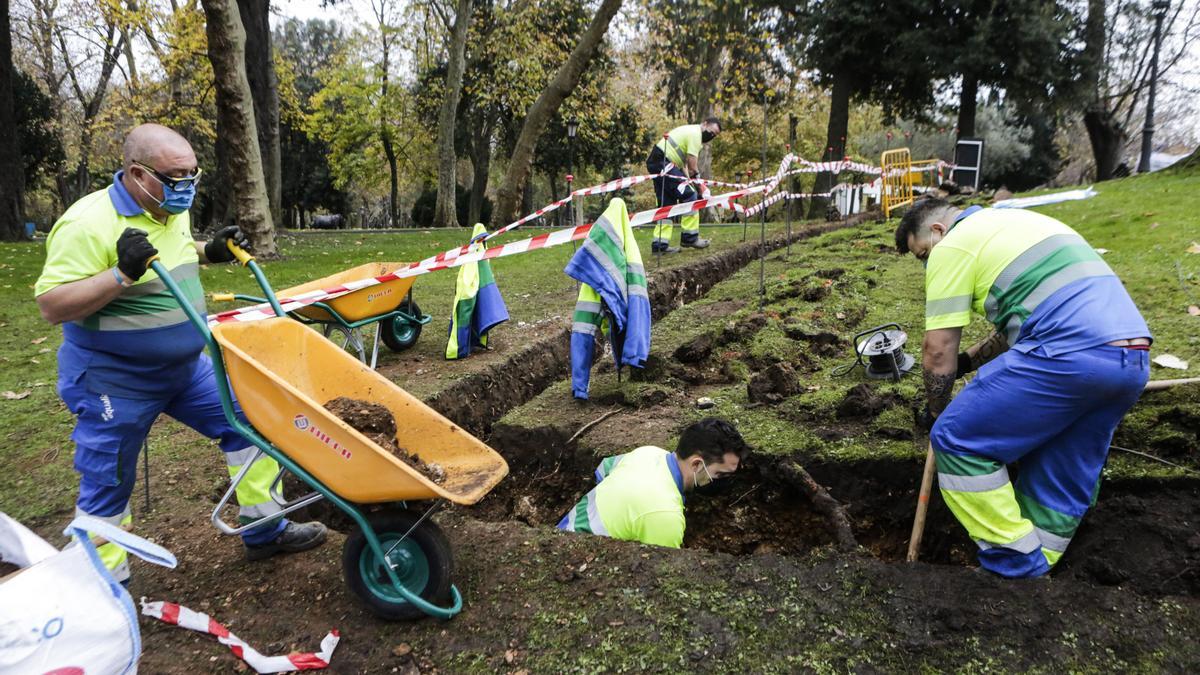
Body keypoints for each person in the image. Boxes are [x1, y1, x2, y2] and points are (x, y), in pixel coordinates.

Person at [34, 123, 327, 584]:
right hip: (116, 378)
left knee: (252, 420)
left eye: (193, 174)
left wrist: (208, 251)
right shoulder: (86, 223)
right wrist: (119, 276)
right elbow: (51, 304)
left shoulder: (170, 210)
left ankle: (264, 527)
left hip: (187, 369)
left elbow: (171, 253)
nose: (187, 186)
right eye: (176, 178)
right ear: (137, 174)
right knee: (108, 474)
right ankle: (100, 580)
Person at [896, 197, 1151, 578]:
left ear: (937, 230)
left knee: (957, 439)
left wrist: (936, 412)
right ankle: (1036, 574)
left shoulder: (952, 245)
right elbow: (1015, 326)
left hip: (1066, 355)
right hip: (1129, 360)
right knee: (1058, 465)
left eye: (922, 255)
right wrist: (969, 362)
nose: (927, 263)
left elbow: (937, 352)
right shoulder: (1020, 223)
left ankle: (1014, 563)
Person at [556, 417, 749, 548]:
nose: (724, 482)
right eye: (721, 475)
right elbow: (661, 576)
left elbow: (601, 471)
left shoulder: (647, 452)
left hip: (560, 534)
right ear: (697, 464)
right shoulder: (664, 516)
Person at [646, 117, 722, 254]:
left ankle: (660, 246)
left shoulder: (690, 132)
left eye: (714, 136)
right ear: (704, 124)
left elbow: (685, 166)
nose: (711, 137)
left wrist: (692, 181)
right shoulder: (696, 134)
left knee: (666, 204)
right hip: (662, 160)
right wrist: (700, 186)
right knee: (689, 194)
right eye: (711, 132)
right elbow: (693, 165)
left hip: (660, 161)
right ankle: (689, 237)